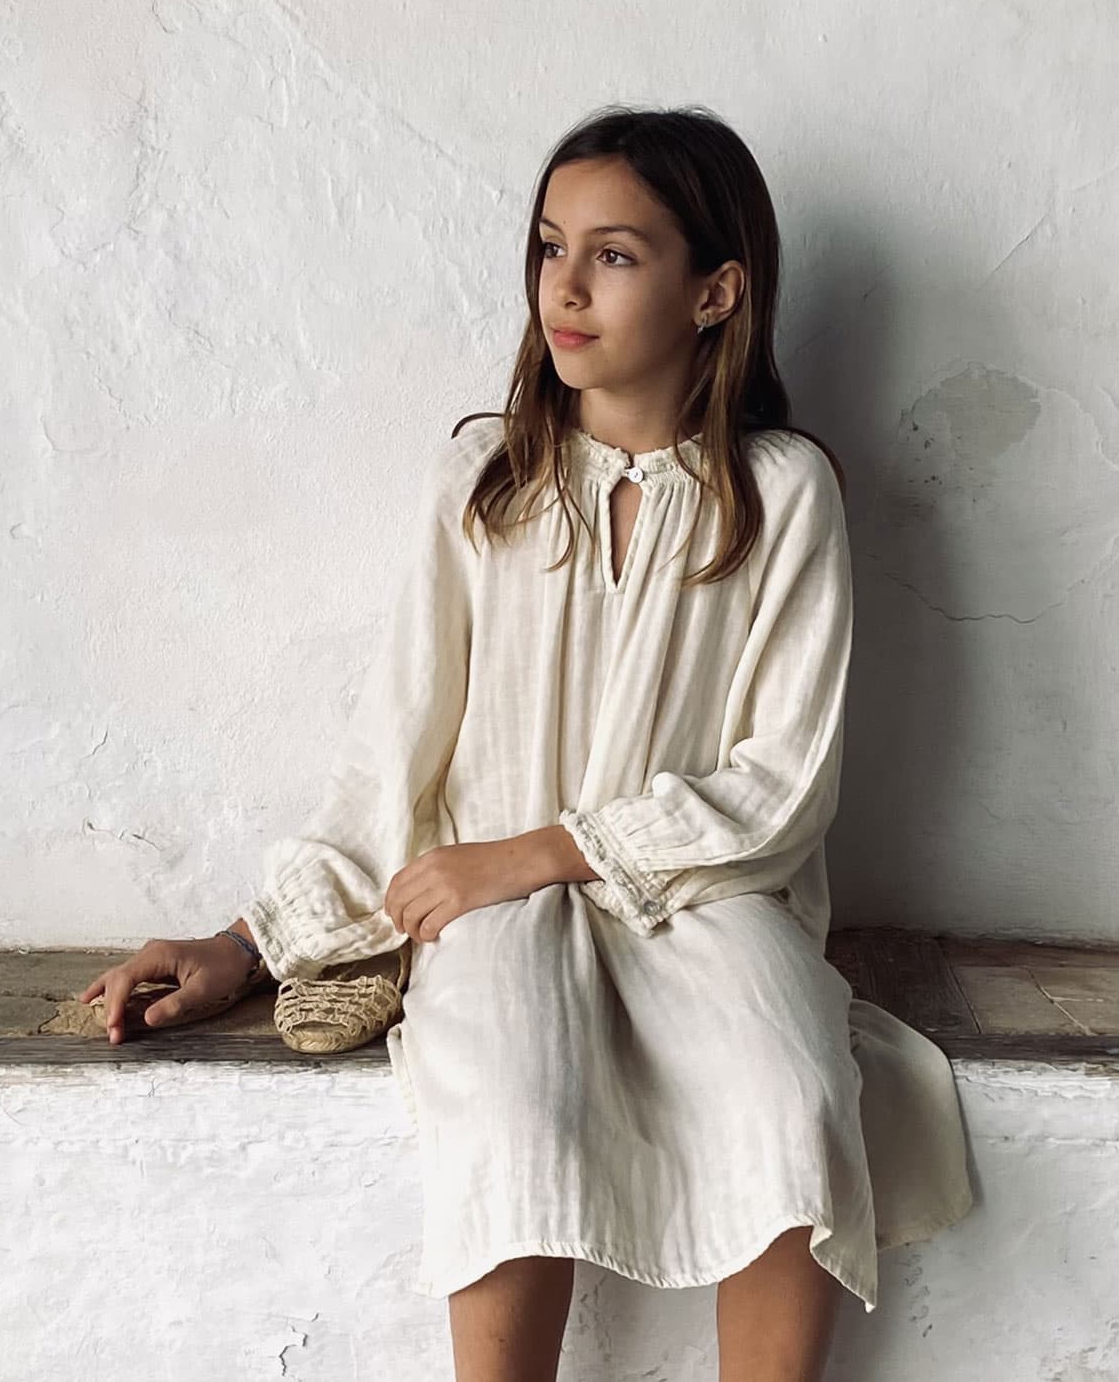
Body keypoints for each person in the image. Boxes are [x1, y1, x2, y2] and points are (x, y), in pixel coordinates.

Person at [80, 104, 975, 1382]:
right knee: (512, 1113)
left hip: (703, 900)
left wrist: (539, 851)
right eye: (551, 245)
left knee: (794, 1100)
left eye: (615, 254)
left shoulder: (782, 492)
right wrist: (247, 945)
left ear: (716, 292)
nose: (565, 285)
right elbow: (394, 756)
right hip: (494, 915)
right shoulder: (485, 481)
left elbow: (781, 784)